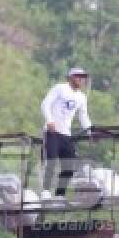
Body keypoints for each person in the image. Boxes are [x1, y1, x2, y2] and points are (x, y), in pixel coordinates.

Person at [41, 67, 92, 196]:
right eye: (78, 76)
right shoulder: (60, 88)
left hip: (66, 135)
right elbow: (45, 104)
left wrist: (90, 132)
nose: (80, 79)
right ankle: (46, 191)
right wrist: (49, 120)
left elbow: (83, 116)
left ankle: (59, 194)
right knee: (51, 161)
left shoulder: (81, 97)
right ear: (70, 77)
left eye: (83, 77)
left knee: (69, 166)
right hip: (52, 132)